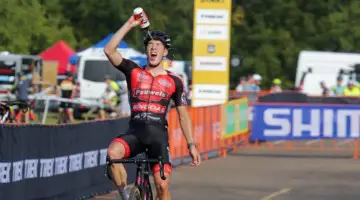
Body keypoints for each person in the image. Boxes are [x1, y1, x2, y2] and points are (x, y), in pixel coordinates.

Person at [104, 14, 201, 200]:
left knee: (162, 186)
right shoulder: (133, 71)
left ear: (165, 52)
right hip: (135, 132)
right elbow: (109, 50)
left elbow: (183, 116)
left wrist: (191, 145)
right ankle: (125, 195)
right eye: (150, 45)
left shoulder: (175, 81)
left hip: (158, 137)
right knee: (112, 153)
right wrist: (129, 24)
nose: (153, 48)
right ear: (146, 51)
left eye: (158, 45)